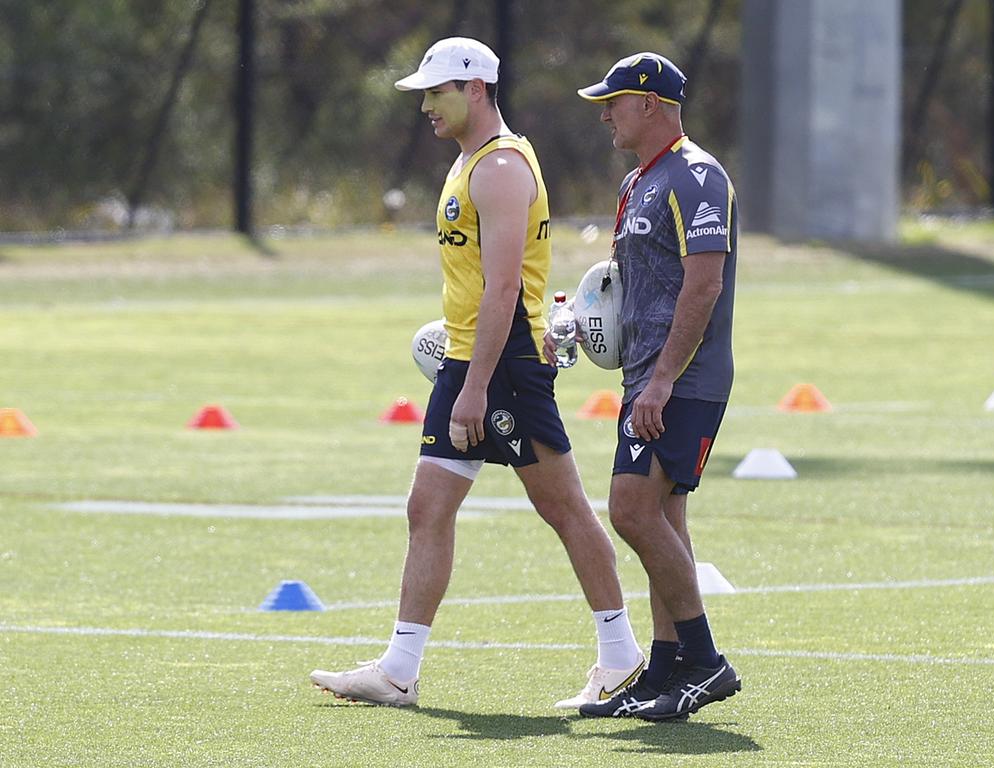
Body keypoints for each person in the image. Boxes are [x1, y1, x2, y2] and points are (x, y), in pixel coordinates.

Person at [310, 37, 644, 709]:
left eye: (436, 93)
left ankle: (621, 653)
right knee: (427, 507)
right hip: (471, 358)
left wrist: (472, 387)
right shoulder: (468, 162)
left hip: (503, 366)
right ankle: (398, 670)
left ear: (475, 90)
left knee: (563, 507)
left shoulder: (498, 167)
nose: (426, 106)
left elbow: (501, 291)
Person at [559, 52, 742, 721]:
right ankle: (664, 671)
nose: (604, 113)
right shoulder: (638, 181)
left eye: (613, 101)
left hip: (683, 378)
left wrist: (662, 380)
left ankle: (704, 660)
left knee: (631, 510)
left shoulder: (696, 175)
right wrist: (577, 321)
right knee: (662, 517)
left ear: (650, 103)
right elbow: (630, 281)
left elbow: (704, 283)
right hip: (648, 377)